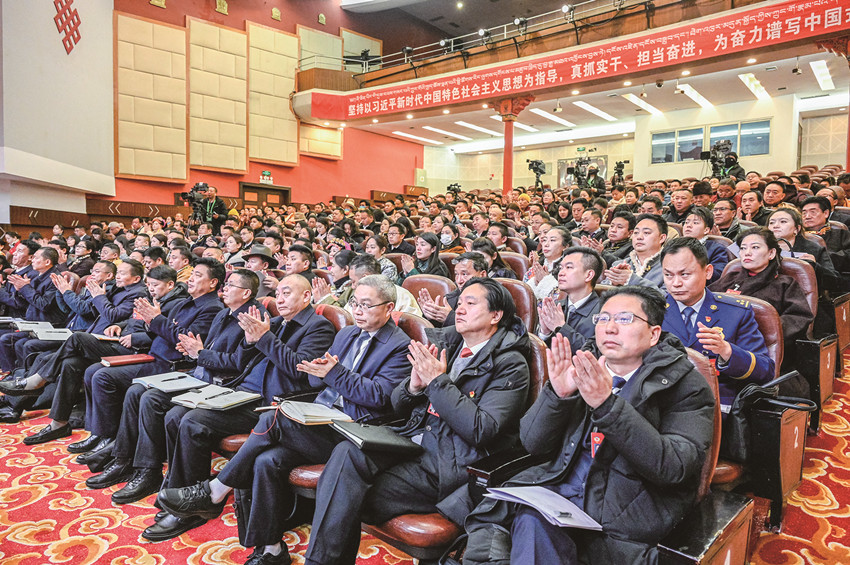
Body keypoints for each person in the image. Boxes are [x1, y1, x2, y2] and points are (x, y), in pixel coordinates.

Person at [155, 274, 413, 550]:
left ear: (389, 307)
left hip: (351, 430)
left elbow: (379, 398)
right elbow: (313, 380)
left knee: (273, 416)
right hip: (321, 417)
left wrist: (333, 373)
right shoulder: (347, 333)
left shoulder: (400, 346)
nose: (358, 311)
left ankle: (216, 491)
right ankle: (271, 549)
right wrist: (321, 371)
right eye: (355, 303)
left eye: (366, 305)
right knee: (267, 460)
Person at [463, 286, 715, 565]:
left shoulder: (685, 385)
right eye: (603, 318)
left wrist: (607, 405)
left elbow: (673, 467)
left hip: (624, 516)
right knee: (519, 523)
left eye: (624, 319)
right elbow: (533, 443)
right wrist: (558, 396)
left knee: (533, 527)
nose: (609, 328)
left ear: (653, 334)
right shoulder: (583, 364)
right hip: (561, 495)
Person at [660, 237, 773, 405]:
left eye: (685, 274)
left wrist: (727, 351)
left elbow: (765, 370)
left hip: (715, 402)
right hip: (661, 398)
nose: (675, 283)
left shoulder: (735, 312)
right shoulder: (651, 311)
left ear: (708, 272)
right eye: (668, 275)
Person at [710, 228, 813, 370]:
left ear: (771, 253)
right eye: (743, 248)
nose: (747, 253)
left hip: (762, 348)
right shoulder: (730, 278)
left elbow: (799, 317)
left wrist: (756, 330)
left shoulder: (785, 283)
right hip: (720, 342)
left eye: (755, 247)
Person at [537, 246, 603, 351]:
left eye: (568, 267)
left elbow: (594, 353)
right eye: (560, 268)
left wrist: (561, 327)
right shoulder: (554, 307)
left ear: (589, 275)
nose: (561, 273)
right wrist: (544, 333)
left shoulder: (603, 313)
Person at [767, 207, 841, 293]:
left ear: (796, 229)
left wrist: (814, 266)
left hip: (802, 296)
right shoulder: (760, 248)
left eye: (783, 221)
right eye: (771, 223)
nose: (775, 226)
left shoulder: (813, 249)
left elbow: (835, 281)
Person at [418, 251, 489, 327]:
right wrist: (433, 316)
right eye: (456, 274)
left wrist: (451, 318)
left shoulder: (493, 298)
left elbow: (482, 329)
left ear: (482, 274)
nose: (459, 281)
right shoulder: (451, 298)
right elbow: (440, 331)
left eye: (464, 274)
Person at [603, 214, 667, 289]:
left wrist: (631, 280)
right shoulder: (619, 265)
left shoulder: (670, 267)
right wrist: (613, 283)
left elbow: (667, 295)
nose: (639, 237)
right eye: (636, 233)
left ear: (662, 238)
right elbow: (601, 292)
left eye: (646, 233)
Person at [801, 195, 850, 273]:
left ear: (826, 213)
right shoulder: (796, 235)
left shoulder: (840, 233)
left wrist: (821, 258)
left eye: (813, 212)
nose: (807, 216)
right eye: (804, 213)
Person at [681, 207, 729, 283]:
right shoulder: (674, 245)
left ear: (706, 230)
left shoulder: (716, 249)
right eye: (686, 222)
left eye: (695, 223)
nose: (688, 225)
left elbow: (715, 276)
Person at [524, 226, 571, 300]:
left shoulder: (569, 269)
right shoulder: (536, 267)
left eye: (552, 240)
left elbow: (564, 298)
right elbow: (523, 294)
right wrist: (535, 281)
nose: (546, 244)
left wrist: (545, 281)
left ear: (565, 246)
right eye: (544, 240)